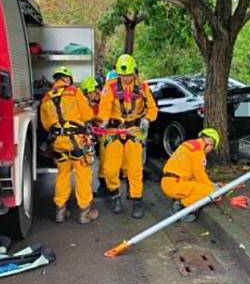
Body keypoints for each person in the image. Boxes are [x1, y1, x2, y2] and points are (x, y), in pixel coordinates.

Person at [98, 54, 157, 219]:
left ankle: (137, 200)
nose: (125, 78)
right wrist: (103, 122)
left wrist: (147, 118)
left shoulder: (143, 88)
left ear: (134, 72)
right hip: (113, 131)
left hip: (134, 130)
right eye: (122, 75)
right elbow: (104, 108)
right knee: (110, 169)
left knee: (135, 169)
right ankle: (115, 195)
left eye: (128, 75)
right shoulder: (110, 87)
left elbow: (152, 108)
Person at [40, 67, 98, 224]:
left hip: (58, 144)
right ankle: (84, 212)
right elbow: (88, 115)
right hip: (77, 142)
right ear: (68, 79)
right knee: (83, 175)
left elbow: (46, 125)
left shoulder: (46, 98)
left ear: (56, 79)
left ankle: (60, 211)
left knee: (62, 175)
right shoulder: (75, 92)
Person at [161, 129, 220, 223]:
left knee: (201, 186)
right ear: (209, 141)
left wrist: (211, 183)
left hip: (170, 181)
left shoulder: (189, 144)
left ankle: (179, 202)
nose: (210, 151)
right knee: (209, 191)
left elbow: (194, 175)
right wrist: (214, 187)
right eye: (212, 147)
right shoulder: (197, 151)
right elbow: (200, 176)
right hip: (175, 184)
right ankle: (179, 206)